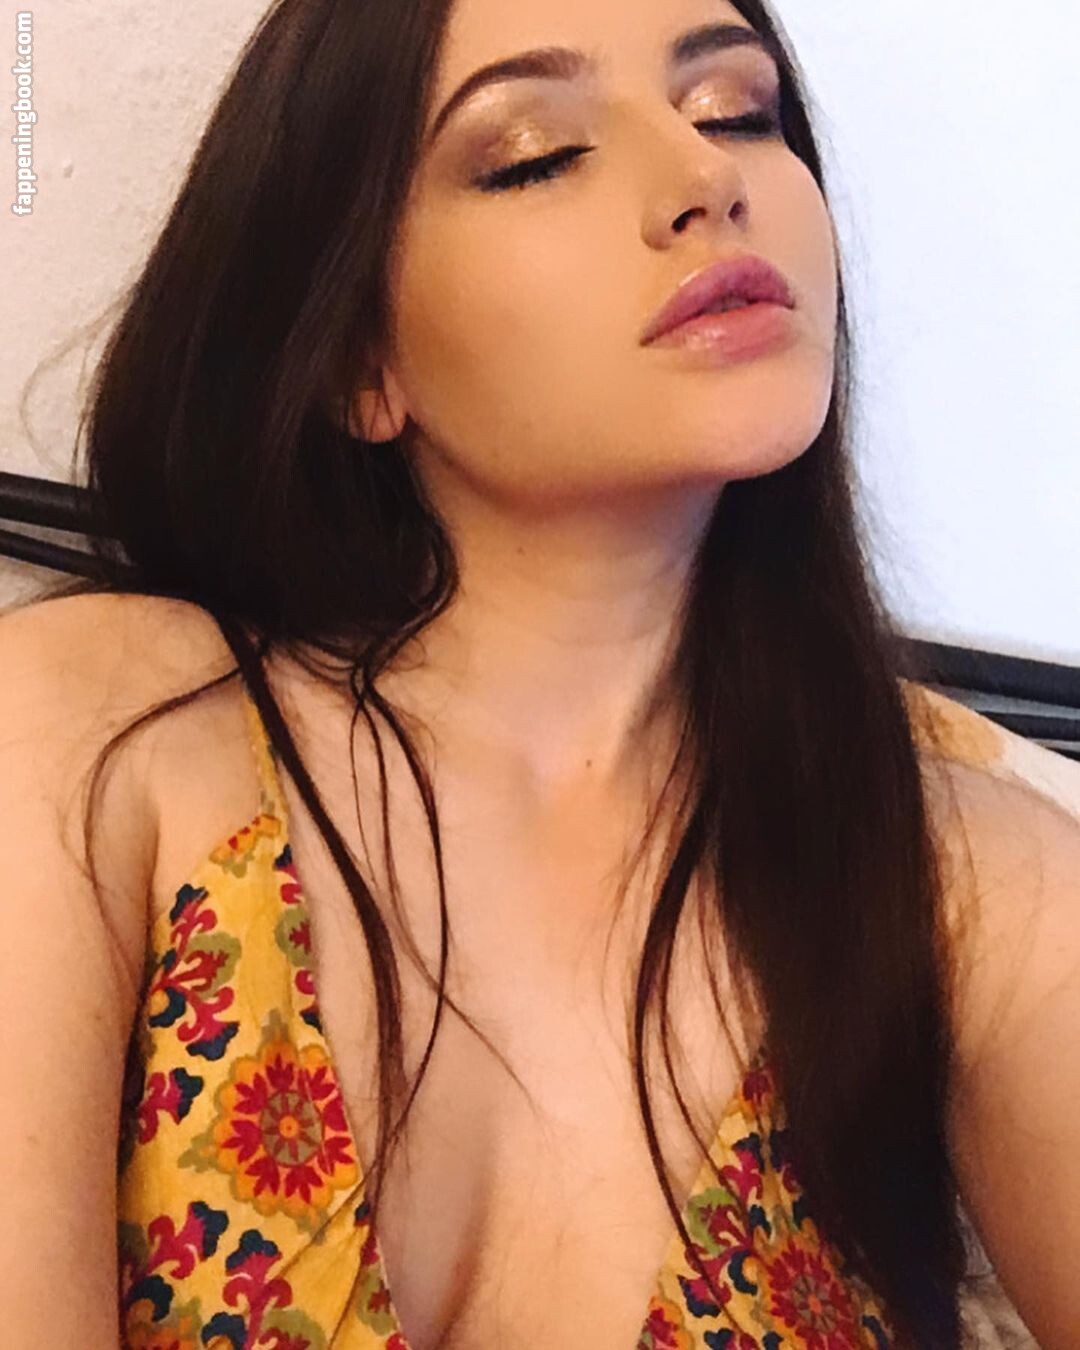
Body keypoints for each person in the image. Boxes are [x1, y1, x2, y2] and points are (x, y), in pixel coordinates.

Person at [2, 0, 1078, 1345]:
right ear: (358, 360)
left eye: (738, 111)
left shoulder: (966, 878)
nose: (706, 178)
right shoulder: (99, 726)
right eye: (534, 155)